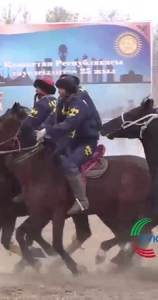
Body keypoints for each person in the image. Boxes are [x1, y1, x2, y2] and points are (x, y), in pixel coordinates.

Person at [36, 75, 101, 215]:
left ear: (68, 90)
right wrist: (42, 128)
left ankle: (82, 201)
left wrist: (47, 131)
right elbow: (52, 118)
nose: (58, 91)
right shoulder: (62, 101)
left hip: (87, 142)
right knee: (50, 156)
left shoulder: (79, 105)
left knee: (69, 163)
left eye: (61, 88)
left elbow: (69, 124)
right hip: (71, 140)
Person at [12, 77, 57, 203]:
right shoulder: (56, 101)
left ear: (43, 89)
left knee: (18, 160)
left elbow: (28, 123)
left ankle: (25, 191)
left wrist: (18, 135)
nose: (36, 90)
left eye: (38, 87)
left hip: (44, 140)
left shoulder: (42, 103)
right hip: (57, 138)